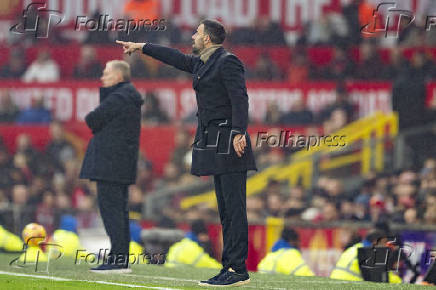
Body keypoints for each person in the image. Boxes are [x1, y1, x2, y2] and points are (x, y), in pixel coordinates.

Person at [116, 19, 257, 287]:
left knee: (235, 208)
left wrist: (239, 132)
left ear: (207, 39)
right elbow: (174, 58)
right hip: (216, 140)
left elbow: (240, 98)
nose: (192, 36)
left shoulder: (227, 62)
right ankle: (229, 266)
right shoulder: (203, 63)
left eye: (197, 32)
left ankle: (238, 269)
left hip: (228, 139)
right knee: (225, 209)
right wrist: (142, 47)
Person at [79, 60, 143, 273]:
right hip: (120, 163)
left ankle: (117, 259)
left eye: (106, 74)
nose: (102, 78)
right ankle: (120, 258)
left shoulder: (119, 96)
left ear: (118, 77)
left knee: (111, 212)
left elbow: (92, 119)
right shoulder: (128, 96)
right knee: (119, 212)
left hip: (110, 164)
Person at [330, 230, 401, 283]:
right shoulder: (371, 252)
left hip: (334, 280)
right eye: (384, 243)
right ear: (375, 242)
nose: (386, 247)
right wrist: (401, 281)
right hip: (349, 283)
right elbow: (385, 277)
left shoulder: (354, 248)